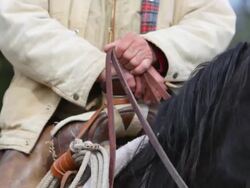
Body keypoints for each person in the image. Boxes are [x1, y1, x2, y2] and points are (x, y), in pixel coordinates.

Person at [0, 0, 235, 187]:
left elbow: (213, 20)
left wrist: (156, 49)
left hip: (160, 121)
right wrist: (96, 67)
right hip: (46, 123)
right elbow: (14, 18)